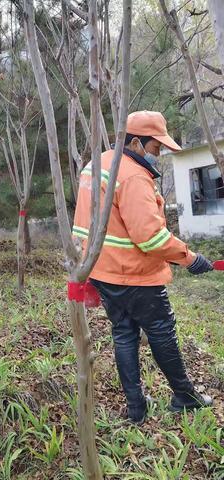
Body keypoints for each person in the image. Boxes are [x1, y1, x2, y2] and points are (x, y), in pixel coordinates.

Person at [73, 111, 213, 424]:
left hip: (101, 270)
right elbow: (150, 238)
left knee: (123, 333)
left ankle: (136, 408)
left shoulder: (96, 165)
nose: (159, 153)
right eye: (156, 147)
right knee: (162, 332)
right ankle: (184, 395)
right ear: (136, 142)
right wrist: (189, 258)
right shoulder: (133, 175)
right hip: (135, 274)